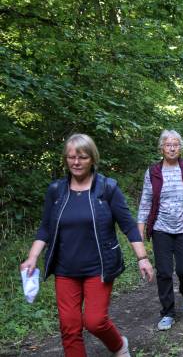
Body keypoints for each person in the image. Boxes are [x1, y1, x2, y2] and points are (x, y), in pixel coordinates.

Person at [20, 134, 154, 357]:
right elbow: (45, 228)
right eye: (71, 157)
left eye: (82, 157)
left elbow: (128, 226)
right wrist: (33, 257)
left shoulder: (107, 188)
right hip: (65, 269)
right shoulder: (56, 190)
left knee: (95, 321)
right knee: (69, 327)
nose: (76, 162)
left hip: (98, 268)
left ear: (92, 159)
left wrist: (142, 258)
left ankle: (119, 346)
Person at [137, 130, 183, 331]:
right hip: (161, 228)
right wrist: (140, 234)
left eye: (175, 144)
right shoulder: (153, 172)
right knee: (164, 272)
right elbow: (145, 203)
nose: (171, 148)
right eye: (168, 144)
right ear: (161, 147)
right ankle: (168, 312)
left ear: (180, 147)